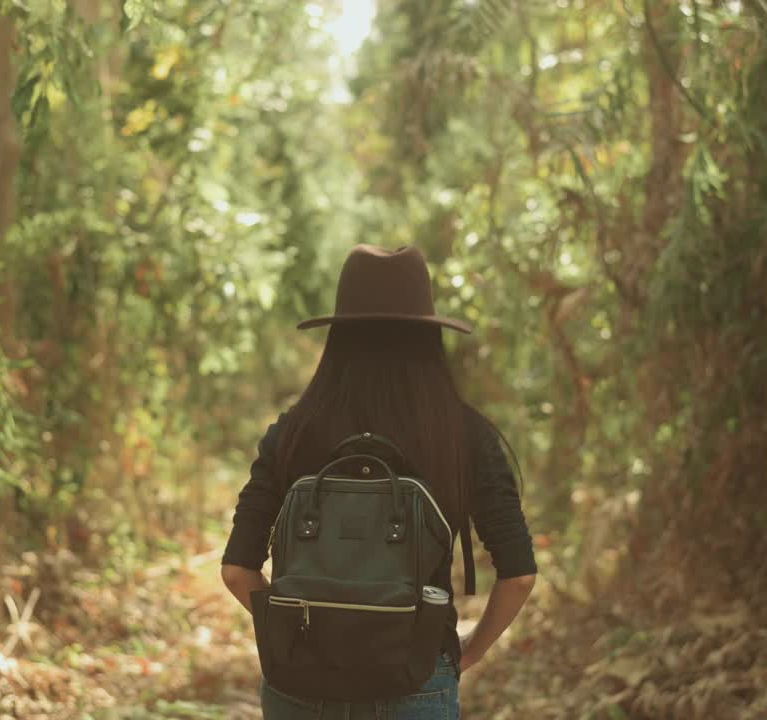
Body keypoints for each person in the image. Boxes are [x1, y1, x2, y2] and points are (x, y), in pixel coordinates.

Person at [220, 245, 537, 720]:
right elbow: (519, 574)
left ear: (338, 336)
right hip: (417, 682)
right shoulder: (462, 434)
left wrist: (296, 635)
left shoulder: (293, 431)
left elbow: (236, 569)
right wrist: (468, 650)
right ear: (429, 335)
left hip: (298, 685)